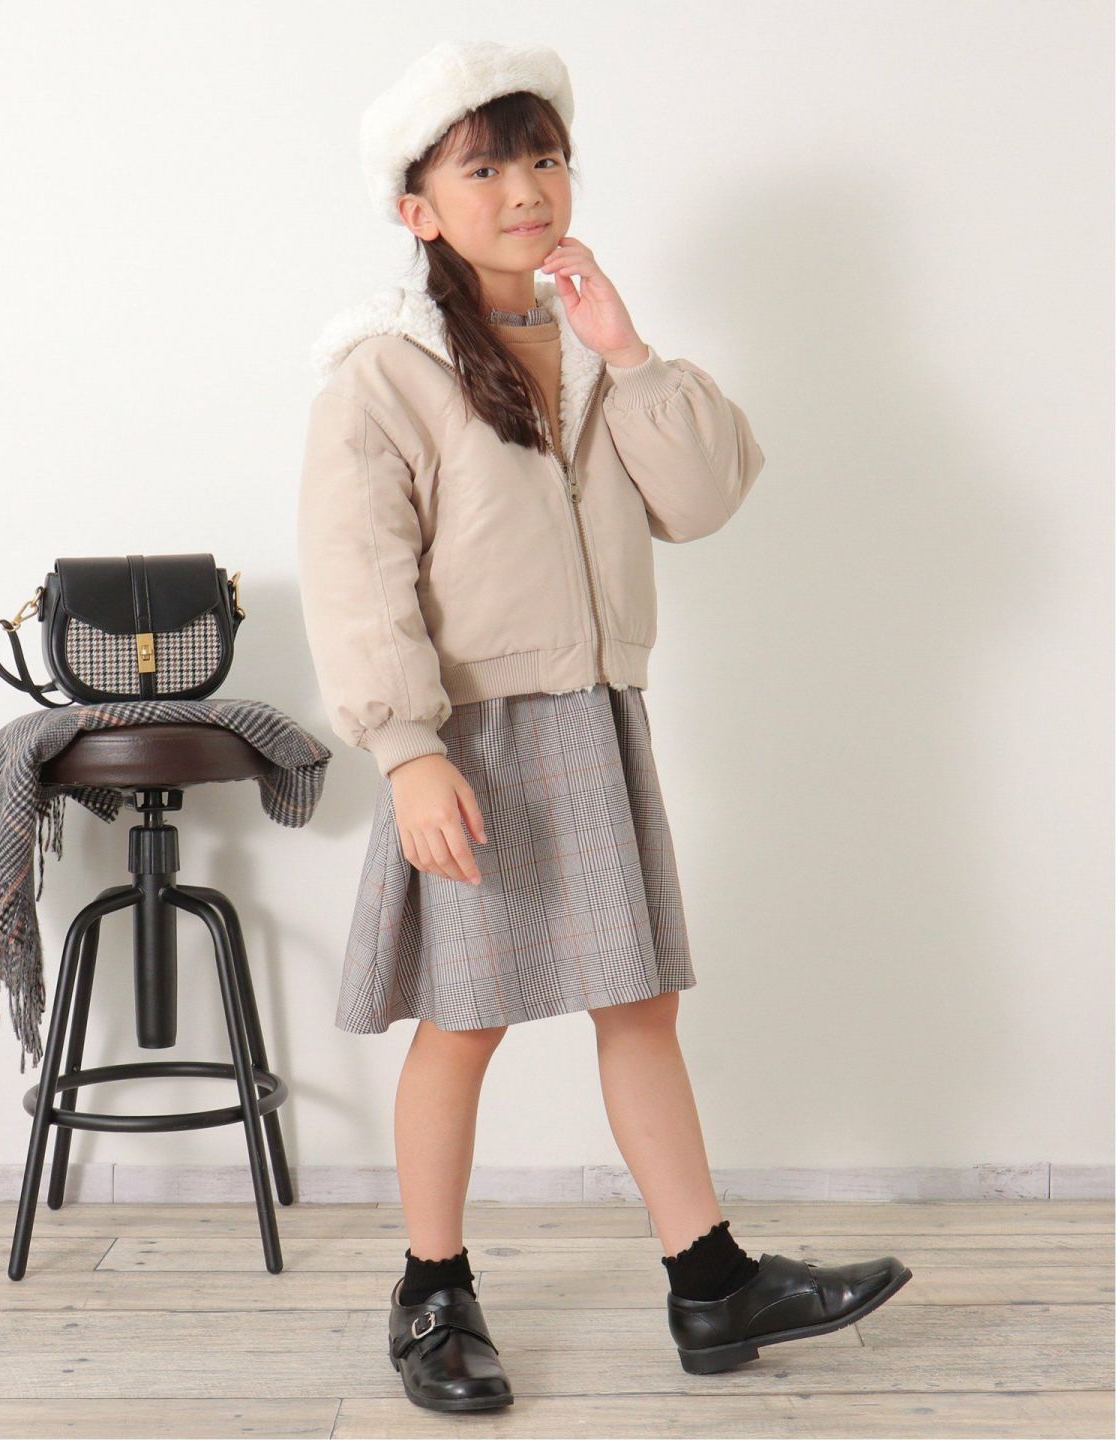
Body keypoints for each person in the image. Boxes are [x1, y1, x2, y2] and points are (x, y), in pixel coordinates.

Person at [296, 38, 911, 1414]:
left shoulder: (591, 354)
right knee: (464, 1020)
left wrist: (628, 349)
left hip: (598, 717)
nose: (527, 188)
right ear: (417, 208)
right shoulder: (383, 375)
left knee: (641, 1004)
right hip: (470, 737)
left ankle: (711, 1280)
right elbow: (358, 579)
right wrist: (407, 751)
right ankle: (432, 1291)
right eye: (486, 168)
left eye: (545, 157)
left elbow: (703, 497)